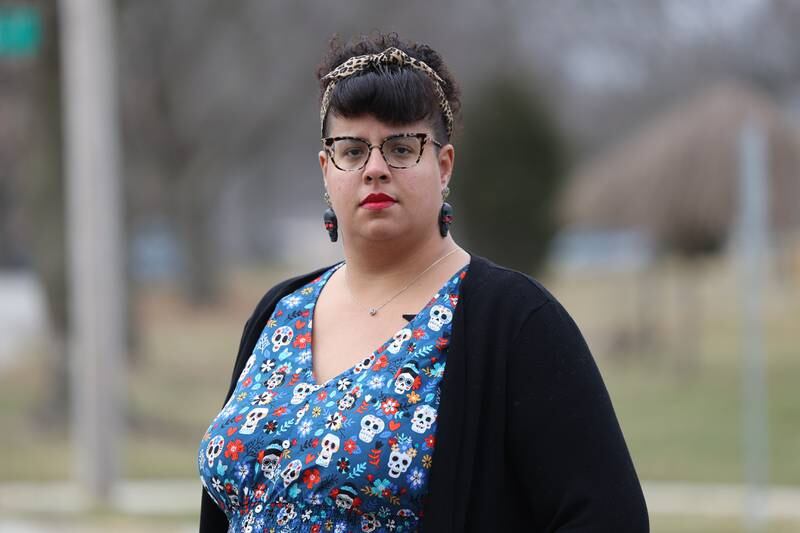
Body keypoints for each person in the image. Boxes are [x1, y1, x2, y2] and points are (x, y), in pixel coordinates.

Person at [198, 33, 648, 533]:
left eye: (401, 148)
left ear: (444, 164)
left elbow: (609, 517)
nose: (374, 169)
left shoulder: (514, 321)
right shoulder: (278, 311)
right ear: (327, 170)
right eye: (351, 150)